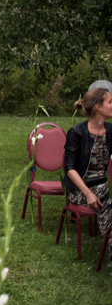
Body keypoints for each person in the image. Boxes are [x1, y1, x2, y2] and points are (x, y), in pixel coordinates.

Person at [64, 80, 112, 264]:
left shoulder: (110, 131)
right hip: (81, 190)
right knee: (104, 198)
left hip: (104, 186)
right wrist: (88, 193)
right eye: (110, 102)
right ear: (99, 107)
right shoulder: (77, 132)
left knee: (105, 194)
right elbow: (69, 169)